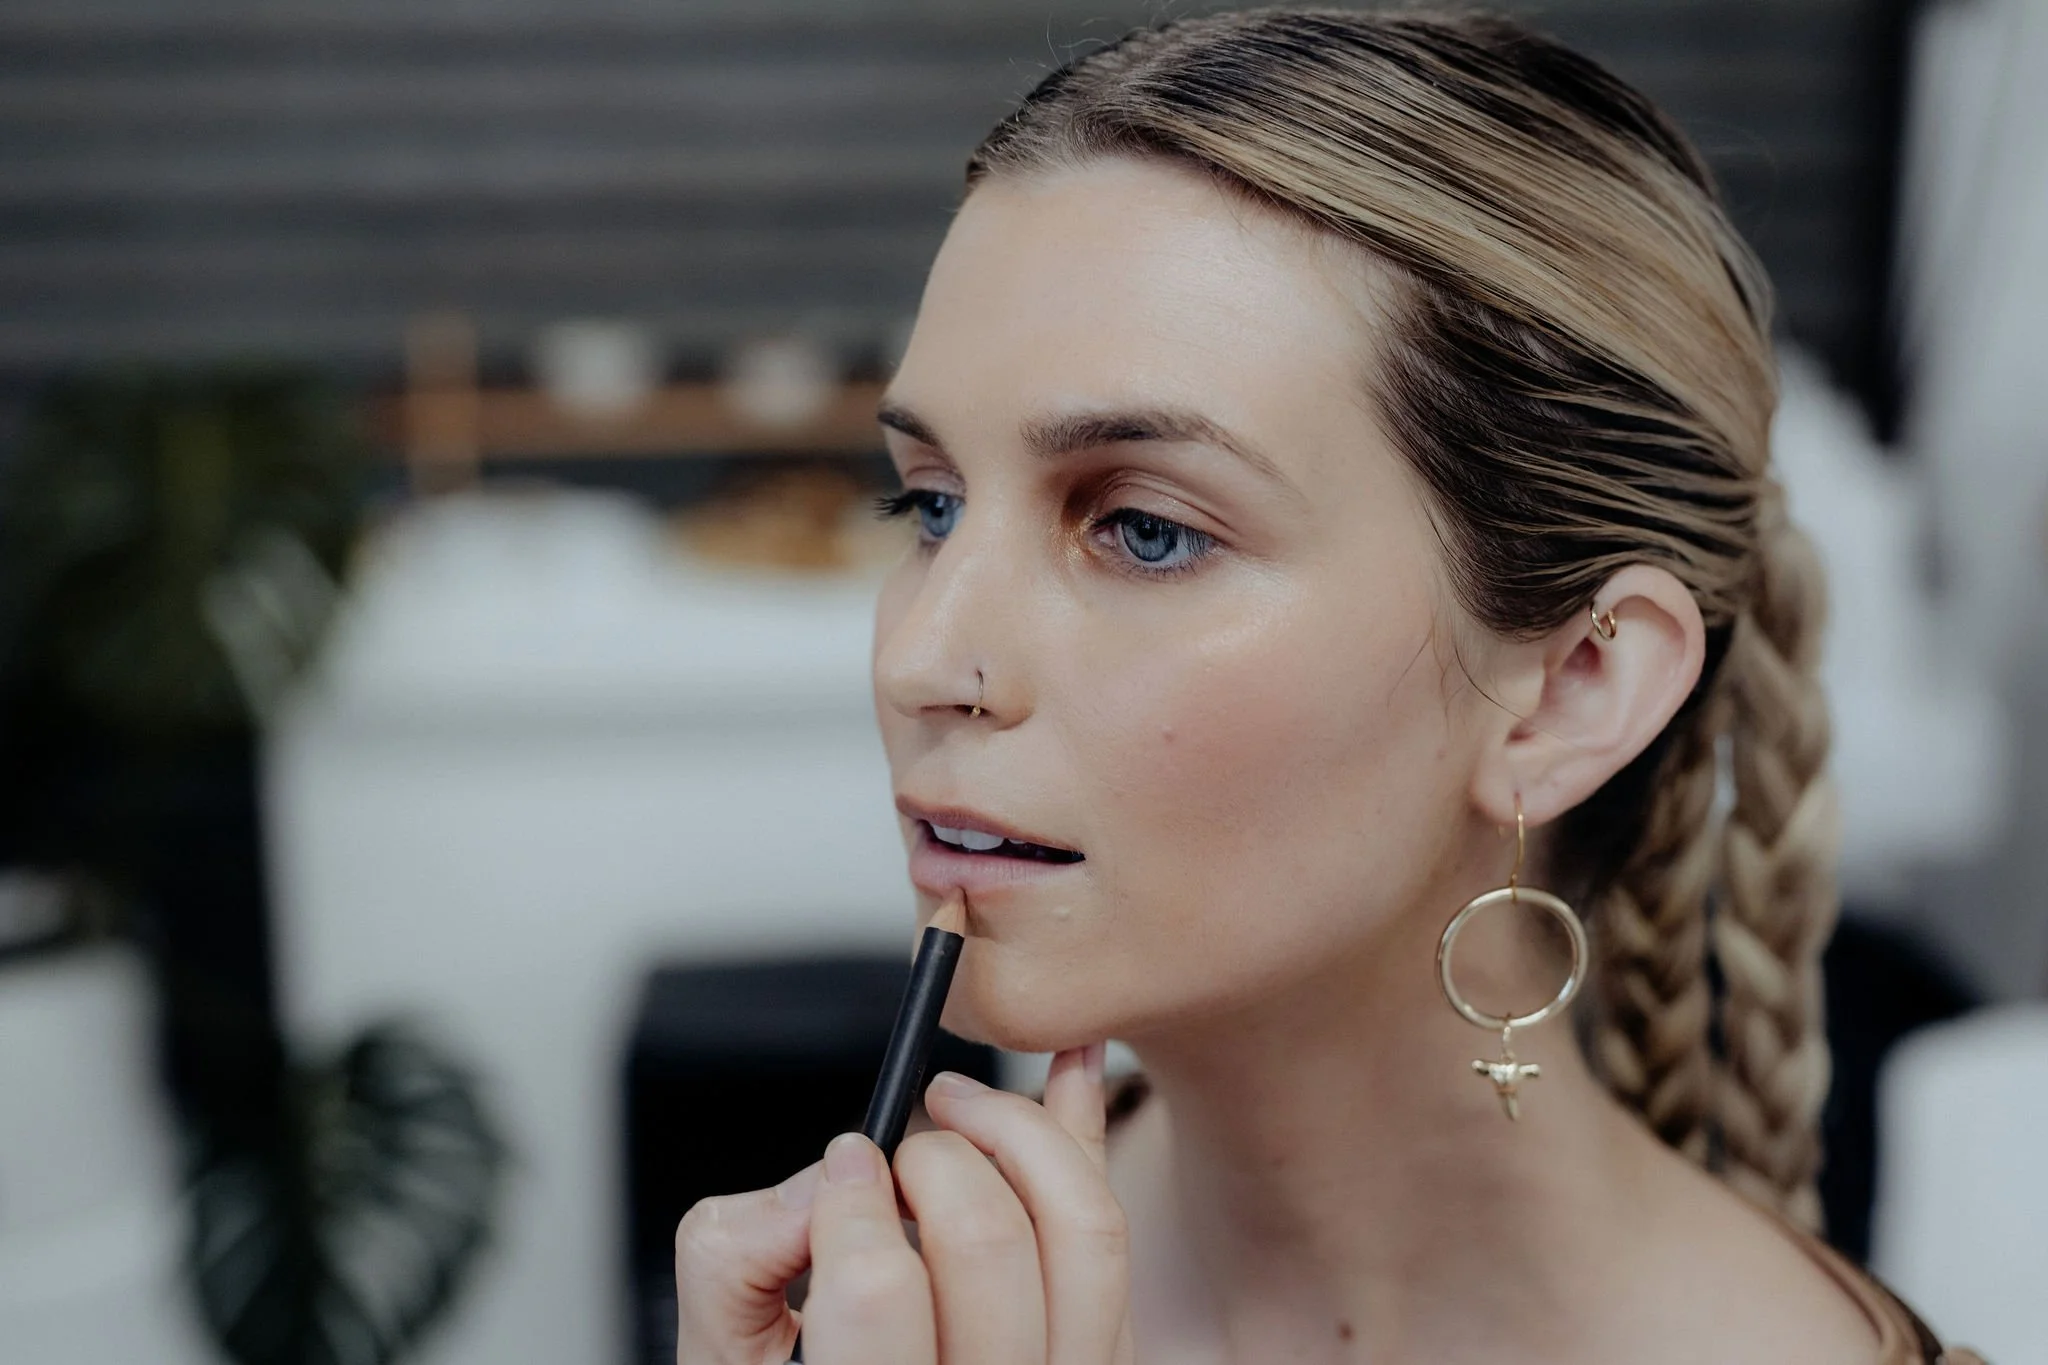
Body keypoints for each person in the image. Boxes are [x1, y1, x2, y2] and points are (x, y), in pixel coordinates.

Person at [673, 9, 1982, 1363]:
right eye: (929, 505)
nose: (918, 659)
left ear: (1571, 690)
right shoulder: (905, 1318)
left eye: (1146, 530)